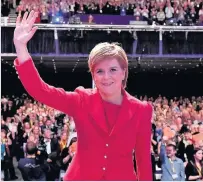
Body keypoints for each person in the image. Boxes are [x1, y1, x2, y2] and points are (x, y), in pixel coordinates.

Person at [13, 10, 153, 181]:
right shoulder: (81, 100)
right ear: (93, 75)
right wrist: (21, 48)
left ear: (124, 72)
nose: (106, 77)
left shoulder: (141, 110)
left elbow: (143, 163)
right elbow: (41, 91)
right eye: (99, 71)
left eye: (113, 70)